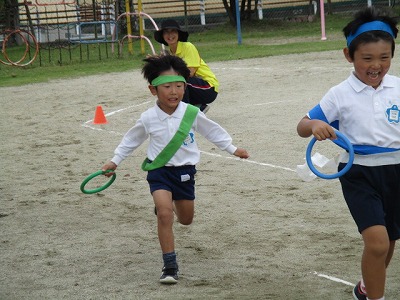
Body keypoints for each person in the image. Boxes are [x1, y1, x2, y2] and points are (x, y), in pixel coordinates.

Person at [101, 54, 249, 284]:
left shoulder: (191, 113)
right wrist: (114, 161)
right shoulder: (148, 117)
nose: (174, 91)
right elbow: (132, 140)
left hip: (185, 172)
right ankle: (170, 266)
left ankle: (167, 209)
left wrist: (232, 148)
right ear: (153, 90)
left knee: (186, 219)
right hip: (159, 172)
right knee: (165, 214)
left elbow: (212, 131)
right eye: (167, 86)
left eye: (179, 86)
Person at [297, 7, 399, 300]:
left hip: (396, 171)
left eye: (384, 57)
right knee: (377, 243)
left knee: (389, 240)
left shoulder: (398, 88)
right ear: (348, 55)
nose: (376, 65)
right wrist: (316, 124)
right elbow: (303, 125)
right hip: (360, 173)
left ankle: (365, 289)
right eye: (367, 58)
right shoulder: (339, 94)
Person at [154, 19, 219, 113]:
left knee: (179, 81)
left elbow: (190, 72)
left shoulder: (187, 47)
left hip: (208, 87)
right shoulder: (172, 53)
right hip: (196, 87)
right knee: (172, 83)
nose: (170, 35)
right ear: (163, 36)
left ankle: (183, 113)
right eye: (166, 32)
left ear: (178, 34)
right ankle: (198, 107)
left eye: (173, 31)